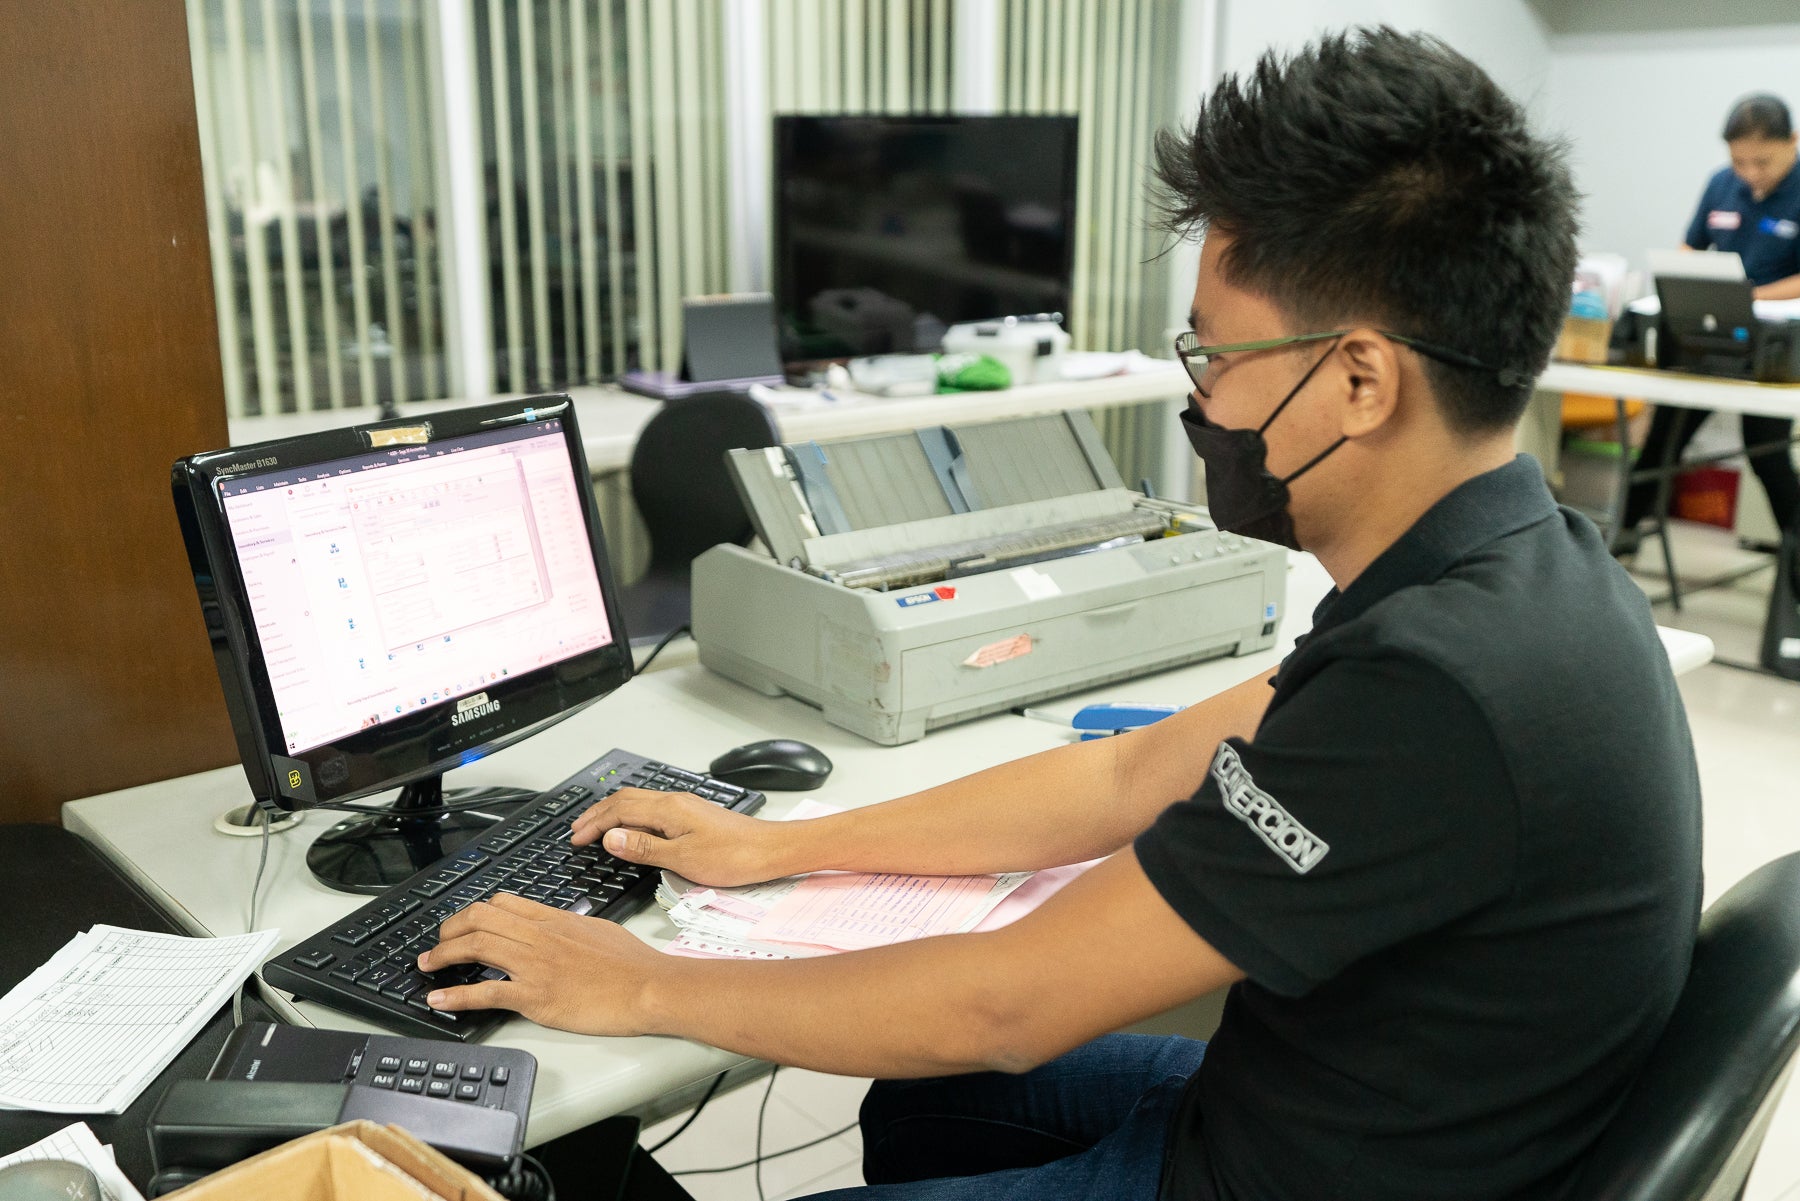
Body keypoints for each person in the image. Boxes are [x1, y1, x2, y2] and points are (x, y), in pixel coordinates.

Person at [418, 28, 1702, 1201]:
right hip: (1343, 1112)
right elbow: (1141, 767)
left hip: (1288, 1175)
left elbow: (1007, 1004)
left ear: (1360, 379)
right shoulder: (1521, 566)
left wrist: (636, 981)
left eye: (1214, 357)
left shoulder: (1440, 682)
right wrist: (777, 850)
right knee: (926, 1104)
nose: (1198, 401)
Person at [1618, 93, 1800, 550]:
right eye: (1740, 162)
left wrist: (1750, 296)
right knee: (1664, 437)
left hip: (1776, 343)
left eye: (1764, 161)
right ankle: (1622, 532)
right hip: (1714, 333)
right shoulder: (1721, 184)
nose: (1751, 173)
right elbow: (1691, 248)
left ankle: (1796, 555)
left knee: (1765, 452)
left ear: (1792, 142)